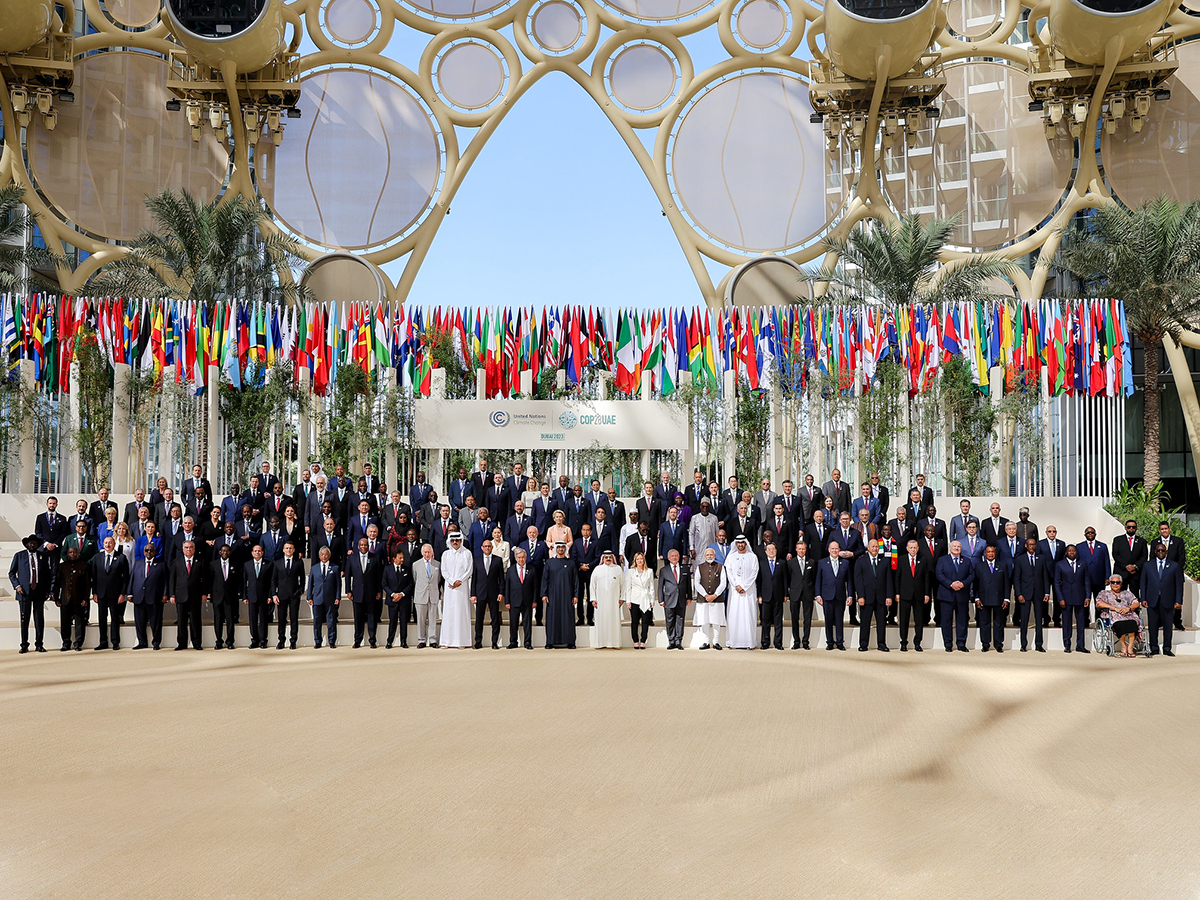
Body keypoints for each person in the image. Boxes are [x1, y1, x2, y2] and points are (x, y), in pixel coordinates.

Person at [1140, 542, 1183, 656]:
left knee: (1168, 625)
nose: (1160, 552)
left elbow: (1179, 585)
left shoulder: (1174, 566)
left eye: (1162, 550)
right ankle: (1154, 647)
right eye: (1158, 550)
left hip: (1168, 599)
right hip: (1152, 599)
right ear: (1155, 552)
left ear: (1166, 552)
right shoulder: (1147, 565)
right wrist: (1143, 598)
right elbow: (1143, 583)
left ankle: (1167, 648)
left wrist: (1178, 600)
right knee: (1153, 625)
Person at [127, 540, 168, 650]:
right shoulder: (138, 563)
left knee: (156, 622)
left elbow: (165, 581)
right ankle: (142, 642)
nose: (148, 552)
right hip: (139, 596)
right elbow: (132, 579)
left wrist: (165, 594)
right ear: (143, 552)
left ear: (155, 552)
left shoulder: (161, 564)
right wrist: (129, 593)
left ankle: (156, 642)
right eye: (146, 550)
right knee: (140, 622)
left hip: (155, 597)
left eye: (151, 550)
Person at [91, 536, 130, 650]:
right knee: (102, 619)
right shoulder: (97, 558)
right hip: (101, 594)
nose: (108, 545)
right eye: (106, 543)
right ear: (103, 544)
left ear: (114, 544)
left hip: (115, 594)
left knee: (115, 618)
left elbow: (125, 578)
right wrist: (94, 593)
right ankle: (103, 642)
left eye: (110, 543)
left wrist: (123, 593)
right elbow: (94, 577)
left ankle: (115, 642)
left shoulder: (121, 557)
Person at [935, 541, 975, 652]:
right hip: (946, 595)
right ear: (950, 548)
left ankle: (961, 643)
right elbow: (939, 574)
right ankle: (948, 644)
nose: (956, 548)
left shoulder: (967, 561)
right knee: (946, 621)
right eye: (954, 546)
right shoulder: (942, 560)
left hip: (962, 595)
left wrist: (963, 583)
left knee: (962, 620)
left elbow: (972, 575)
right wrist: (951, 584)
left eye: (958, 547)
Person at [854, 538, 892, 651]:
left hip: (881, 597)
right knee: (865, 622)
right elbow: (858, 580)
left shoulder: (885, 561)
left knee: (881, 622)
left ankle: (881, 644)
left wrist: (889, 596)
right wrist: (860, 596)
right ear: (868, 547)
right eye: (872, 546)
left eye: (876, 546)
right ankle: (863, 644)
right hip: (866, 597)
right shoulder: (860, 561)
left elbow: (889, 580)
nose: (875, 548)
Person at [1013, 538, 1051, 652]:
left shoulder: (1042, 558)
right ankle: (1023, 644)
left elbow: (1045, 577)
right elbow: (1017, 578)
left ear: (1036, 546)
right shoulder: (1020, 559)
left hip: (1039, 593)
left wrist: (1047, 592)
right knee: (1024, 620)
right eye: (1029, 544)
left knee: (1039, 619)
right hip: (1025, 593)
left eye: (1033, 544)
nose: (1031, 546)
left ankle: (1039, 644)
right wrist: (1018, 593)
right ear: (1026, 546)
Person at [345, 536, 383, 649]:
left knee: (372, 617)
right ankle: (357, 640)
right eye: (361, 545)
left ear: (368, 546)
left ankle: (372, 640)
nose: (363, 546)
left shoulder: (375, 557)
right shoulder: (352, 558)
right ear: (358, 546)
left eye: (365, 545)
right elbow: (347, 576)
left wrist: (379, 591)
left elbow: (378, 577)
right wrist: (348, 591)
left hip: (371, 593)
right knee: (358, 618)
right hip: (357, 593)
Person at [723, 536, 760, 649]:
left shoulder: (752, 557)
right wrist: (736, 585)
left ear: (746, 544)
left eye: (742, 543)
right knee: (734, 614)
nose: (740, 545)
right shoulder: (731, 557)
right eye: (738, 543)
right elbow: (729, 572)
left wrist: (744, 586)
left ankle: (749, 642)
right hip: (735, 592)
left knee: (748, 614)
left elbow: (754, 572)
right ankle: (733, 642)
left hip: (749, 591)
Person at [815, 540, 852, 650]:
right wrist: (818, 595)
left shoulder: (845, 563)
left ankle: (840, 642)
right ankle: (830, 642)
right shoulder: (822, 562)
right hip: (827, 596)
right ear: (829, 550)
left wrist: (850, 595)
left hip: (840, 596)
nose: (834, 551)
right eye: (832, 549)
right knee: (828, 620)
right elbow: (818, 580)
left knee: (839, 620)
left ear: (839, 550)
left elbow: (849, 581)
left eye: (836, 548)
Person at [1149, 520, 1186, 631]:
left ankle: (1177, 621)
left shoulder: (1178, 541)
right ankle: (1161, 621)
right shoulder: (1155, 542)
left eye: (1166, 528)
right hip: (1160, 577)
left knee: (1176, 598)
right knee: (1161, 599)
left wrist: (1174, 571)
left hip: (1175, 575)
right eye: (1162, 529)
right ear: (1159, 530)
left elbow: (1182, 558)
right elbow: (1152, 559)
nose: (1164, 530)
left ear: (1169, 529)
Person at [541, 541, 579, 649]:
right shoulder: (549, 562)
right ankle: (550, 641)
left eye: (563, 547)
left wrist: (575, 595)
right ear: (555, 549)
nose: (561, 549)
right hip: (553, 595)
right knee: (552, 617)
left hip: (567, 595)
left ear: (565, 549)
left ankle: (570, 642)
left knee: (568, 617)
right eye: (559, 548)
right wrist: (544, 594)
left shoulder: (571, 563)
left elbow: (575, 580)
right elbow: (545, 579)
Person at [439, 532, 474, 649]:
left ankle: (462, 641)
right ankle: (446, 641)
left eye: (457, 540)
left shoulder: (467, 553)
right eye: (453, 540)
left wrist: (460, 581)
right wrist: (452, 581)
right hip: (449, 588)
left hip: (462, 587)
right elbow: (443, 570)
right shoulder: (445, 554)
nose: (455, 542)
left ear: (461, 541)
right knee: (448, 613)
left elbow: (469, 570)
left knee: (461, 613)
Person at [896, 538, 931, 652]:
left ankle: (917, 643)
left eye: (915, 548)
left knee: (919, 621)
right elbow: (897, 578)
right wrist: (897, 593)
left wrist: (927, 594)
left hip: (919, 595)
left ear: (918, 548)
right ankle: (904, 643)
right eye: (910, 548)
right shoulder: (901, 560)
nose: (913, 550)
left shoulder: (923, 560)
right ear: (907, 548)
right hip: (905, 595)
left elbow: (926, 579)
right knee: (904, 620)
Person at [1054, 544, 1090, 653]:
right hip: (1066, 598)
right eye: (1069, 551)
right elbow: (1056, 583)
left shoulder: (1082, 564)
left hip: (1080, 597)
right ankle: (1067, 644)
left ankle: (1080, 645)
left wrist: (1088, 596)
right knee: (1067, 622)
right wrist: (1060, 598)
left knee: (1081, 623)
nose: (1072, 552)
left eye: (1074, 550)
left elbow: (1087, 581)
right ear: (1066, 553)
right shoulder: (1060, 565)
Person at [974, 544, 1010, 652]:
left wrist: (1006, 598)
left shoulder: (1002, 565)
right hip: (983, 598)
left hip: (999, 598)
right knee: (984, 622)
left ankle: (998, 644)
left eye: (992, 552)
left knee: (998, 622)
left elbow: (1006, 583)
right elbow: (976, 583)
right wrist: (976, 598)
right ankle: (985, 643)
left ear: (995, 553)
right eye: (988, 552)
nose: (990, 554)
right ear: (985, 554)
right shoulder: (979, 566)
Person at [1096, 574, 1142, 657]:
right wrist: (1114, 608)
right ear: (1110, 583)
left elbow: (1136, 603)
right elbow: (1099, 604)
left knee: (1132, 622)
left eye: (1117, 582)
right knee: (1120, 624)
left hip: (1128, 614)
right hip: (1113, 615)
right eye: (1113, 582)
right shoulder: (1104, 593)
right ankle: (1124, 646)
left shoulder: (1127, 593)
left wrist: (1128, 608)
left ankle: (1130, 647)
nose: (1115, 584)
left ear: (1121, 583)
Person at [55, 545, 91, 651]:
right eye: (70, 552)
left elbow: (87, 584)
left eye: (75, 552)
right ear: (67, 554)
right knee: (65, 622)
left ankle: (78, 643)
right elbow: (57, 583)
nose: (72, 554)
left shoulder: (84, 566)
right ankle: (66, 643)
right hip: (65, 599)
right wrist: (56, 598)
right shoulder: (62, 566)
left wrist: (85, 598)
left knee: (79, 622)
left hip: (79, 599)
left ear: (78, 553)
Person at [471, 539, 505, 650]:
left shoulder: (498, 560)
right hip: (480, 593)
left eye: (489, 546)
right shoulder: (476, 561)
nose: (487, 548)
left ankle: (494, 642)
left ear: (492, 547)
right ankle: (478, 641)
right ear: (482, 547)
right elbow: (474, 579)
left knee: (495, 619)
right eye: (485, 546)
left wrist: (501, 592)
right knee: (479, 619)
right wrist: (473, 594)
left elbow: (501, 579)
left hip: (493, 593)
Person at [271, 540, 305, 650]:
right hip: (281, 595)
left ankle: (293, 640)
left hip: (294, 595)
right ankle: (281, 640)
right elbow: (273, 580)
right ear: (283, 550)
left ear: (294, 550)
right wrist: (274, 594)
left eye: (290, 548)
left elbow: (303, 579)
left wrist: (300, 591)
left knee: (294, 618)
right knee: (281, 619)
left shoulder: (298, 562)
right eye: (287, 548)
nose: (288, 550)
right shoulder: (277, 563)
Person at [307, 546, 341, 648]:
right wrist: (309, 597)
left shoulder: (335, 568)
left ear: (329, 555)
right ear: (319, 556)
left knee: (331, 621)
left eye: (326, 554)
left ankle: (332, 641)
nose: (324, 556)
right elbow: (310, 584)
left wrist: (338, 597)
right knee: (317, 621)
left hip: (330, 598)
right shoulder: (314, 568)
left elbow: (338, 584)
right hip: (317, 598)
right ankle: (318, 641)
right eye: (322, 554)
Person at [757, 541, 787, 650]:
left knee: (778, 620)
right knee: (765, 620)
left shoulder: (782, 563)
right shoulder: (761, 563)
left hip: (778, 596)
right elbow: (759, 580)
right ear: (765, 552)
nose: (771, 551)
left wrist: (785, 594)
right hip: (765, 596)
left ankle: (778, 642)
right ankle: (765, 642)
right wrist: (759, 595)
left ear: (776, 551)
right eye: (769, 550)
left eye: (773, 549)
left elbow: (785, 580)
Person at [207, 543, 239, 650]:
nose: (225, 553)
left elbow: (237, 582)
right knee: (218, 620)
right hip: (217, 596)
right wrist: (209, 594)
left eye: (227, 551)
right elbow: (210, 581)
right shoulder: (213, 564)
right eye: (223, 551)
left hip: (230, 597)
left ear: (230, 552)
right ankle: (219, 641)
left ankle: (230, 641)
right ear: (220, 552)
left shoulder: (235, 564)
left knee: (230, 620)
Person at [243, 544, 274, 649]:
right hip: (251, 596)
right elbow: (244, 582)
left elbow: (271, 582)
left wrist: (270, 595)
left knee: (263, 619)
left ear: (262, 552)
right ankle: (254, 640)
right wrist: (244, 596)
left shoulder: (269, 564)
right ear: (252, 553)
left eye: (259, 551)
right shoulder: (247, 564)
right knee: (253, 619)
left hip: (264, 596)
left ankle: (263, 640)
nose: (257, 552)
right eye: (255, 551)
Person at [505, 547, 536, 650]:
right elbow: (507, 587)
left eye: (523, 557)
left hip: (527, 600)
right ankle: (513, 642)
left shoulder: (531, 569)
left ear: (526, 558)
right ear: (515, 558)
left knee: (527, 623)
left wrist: (534, 600)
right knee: (513, 623)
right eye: (519, 557)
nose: (521, 559)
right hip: (514, 601)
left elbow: (535, 586)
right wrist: (507, 601)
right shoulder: (510, 570)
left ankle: (527, 642)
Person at [381, 548, 413, 649]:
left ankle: (404, 641)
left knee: (404, 621)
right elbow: (384, 584)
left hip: (404, 600)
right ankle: (390, 641)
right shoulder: (387, 569)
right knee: (393, 621)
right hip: (392, 600)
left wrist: (402, 594)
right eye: (400, 558)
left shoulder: (407, 569)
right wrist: (393, 594)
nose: (402, 560)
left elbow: (410, 584)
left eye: (403, 558)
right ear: (394, 559)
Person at [657, 548, 688, 650]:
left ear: (679, 557)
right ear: (669, 558)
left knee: (680, 620)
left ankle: (679, 641)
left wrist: (689, 597)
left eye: (676, 556)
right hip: (669, 599)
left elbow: (688, 585)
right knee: (670, 621)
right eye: (672, 556)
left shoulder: (685, 569)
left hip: (681, 599)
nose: (674, 558)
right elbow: (660, 586)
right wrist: (660, 599)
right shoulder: (664, 570)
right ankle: (671, 641)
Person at [413, 543, 442, 648]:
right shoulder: (416, 565)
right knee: (421, 620)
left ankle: (433, 639)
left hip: (433, 595)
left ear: (432, 552)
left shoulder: (437, 564)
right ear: (421, 553)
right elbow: (415, 579)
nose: (427, 554)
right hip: (421, 595)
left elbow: (439, 579)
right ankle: (421, 640)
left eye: (429, 552)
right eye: (425, 552)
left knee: (433, 619)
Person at [1112, 519, 1148, 602]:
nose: (1131, 528)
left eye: (1133, 527)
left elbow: (1144, 556)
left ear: (1136, 528)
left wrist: (1135, 566)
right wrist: (1126, 566)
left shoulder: (1142, 541)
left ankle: (1135, 614)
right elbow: (1115, 555)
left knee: (1134, 598)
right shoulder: (1118, 540)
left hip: (1135, 574)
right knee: (1119, 598)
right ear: (1125, 528)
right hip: (1121, 572)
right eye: (1129, 527)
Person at [625, 552, 655, 649]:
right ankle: (635, 640)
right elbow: (628, 587)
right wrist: (628, 600)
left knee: (645, 621)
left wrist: (652, 600)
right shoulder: (631, 572)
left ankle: (643, 640)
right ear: (635, 560)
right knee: (635, 621)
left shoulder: (649, 571)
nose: (639, 561)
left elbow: (651, 587)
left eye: (641, 559)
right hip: (634, 598)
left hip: (645, 598)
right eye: (637, 559)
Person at [573, 523, 599, 626]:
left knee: (590, 596)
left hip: (590, 572)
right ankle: (580, 618)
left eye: (588, 530)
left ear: (591, 531)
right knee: (579, 596)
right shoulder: (577, 542)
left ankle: (589, 618)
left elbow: (598, 557)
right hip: (579, 573)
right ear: (581, 531)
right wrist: (580, 566)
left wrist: (589, 565)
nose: (585, 532)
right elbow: (574, 556)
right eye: (584, 530)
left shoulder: (596, 542)